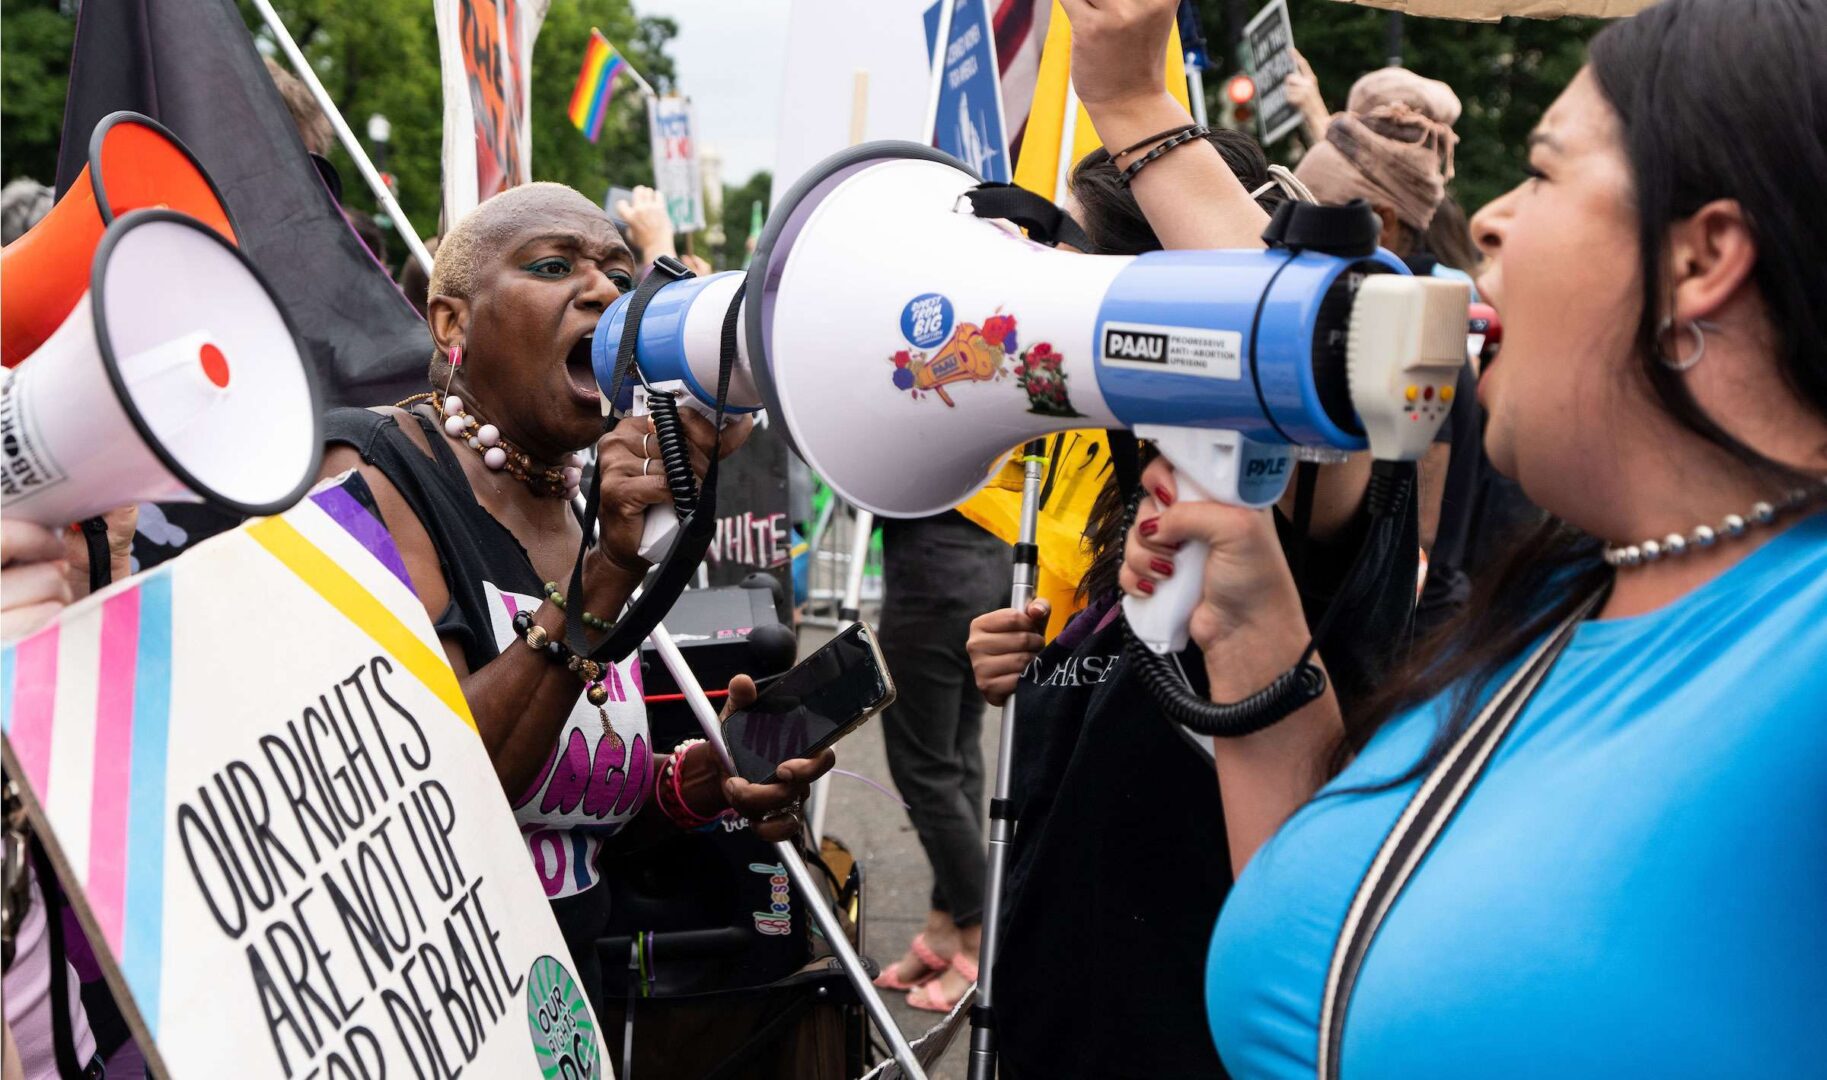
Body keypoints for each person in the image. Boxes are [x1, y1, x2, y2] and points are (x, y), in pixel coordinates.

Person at [1108, 0, 1827, 1074]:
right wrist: (1257, 636)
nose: (1487, 219)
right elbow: (1353, 932)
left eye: (1540, 172)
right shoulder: (1571, 595)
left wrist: (1136, 106)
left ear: (1702, 256)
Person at [966, 130, 1421, 1078]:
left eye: (1083, 271)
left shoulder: (1297, 470)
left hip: (1178, 1019)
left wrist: (1133, 103)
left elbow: (1288, 326)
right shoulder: (1143, 463)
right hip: (1069, 1006)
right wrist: (1045, 666)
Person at [317, 181, 833, 1010]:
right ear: (451, 322)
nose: (602, 292)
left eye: (620, 277)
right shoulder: (372, 476)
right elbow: (436, 787)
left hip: (572, 990)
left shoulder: (586, 499)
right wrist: (599, 581)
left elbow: (574, 816)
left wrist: (695, 784)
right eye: (553, 266)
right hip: (436, 1001)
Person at [869, 511, 1010, 1013]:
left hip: (932, 573)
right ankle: (947, 922)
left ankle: (977, 936)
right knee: (956, 756)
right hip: (989, 560)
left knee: (926, 768)